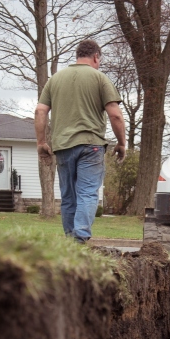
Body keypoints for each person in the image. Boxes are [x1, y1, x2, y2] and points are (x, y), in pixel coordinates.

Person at [34, 39, 126, 243]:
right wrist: (121, 143)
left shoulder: (55, 79)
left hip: (63, 146)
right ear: (95, 57)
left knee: (68, 197)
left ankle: (70, 242)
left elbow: (40, 111)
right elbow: (116, 116)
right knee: (87, 193)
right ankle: (80, 239)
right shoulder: (100, 78)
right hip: (91, 146)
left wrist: (41, 143)